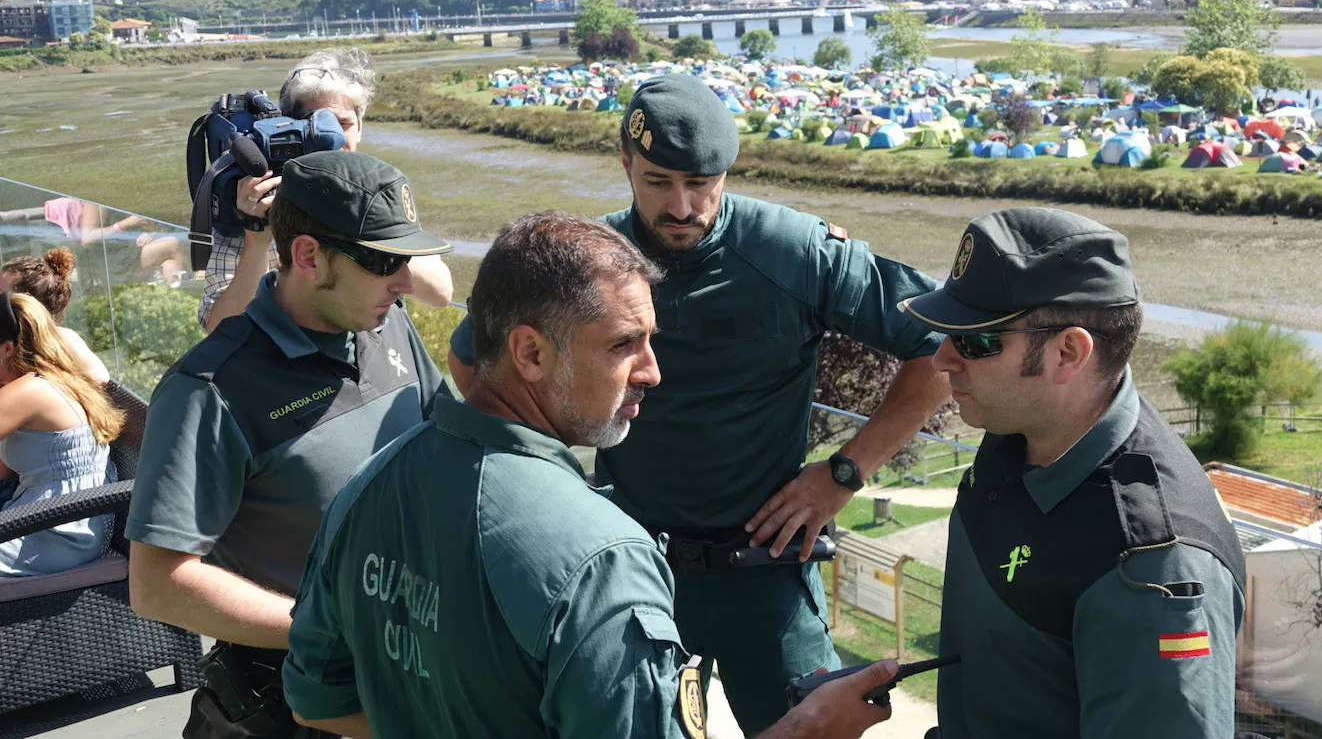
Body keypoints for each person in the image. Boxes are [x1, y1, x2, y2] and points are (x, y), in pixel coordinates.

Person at [448, 74, 950, 735]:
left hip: (765, 575)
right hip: (631, 568)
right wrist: (552, 482)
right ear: (625, 164)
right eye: (658, 182)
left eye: (702, 184)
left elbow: (942, 345)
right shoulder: (586, 263)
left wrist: (842, 475)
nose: (682, 206)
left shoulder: (791, 252)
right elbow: (473, 358)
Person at [284, 210, 899, 739]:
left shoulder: (368, 485)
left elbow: (318, 701)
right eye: (623, 345)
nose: (651, 371)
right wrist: (807, 726)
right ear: (530, 353)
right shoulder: (600, 559)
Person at [126, 151, 452, 738]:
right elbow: (158, 584)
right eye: (384, 261)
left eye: (406, 258)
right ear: (307, 256)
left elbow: (449, 445)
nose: (405, 281)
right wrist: (338, 626)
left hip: (409, 674)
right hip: (294, 698)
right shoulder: (214, 388)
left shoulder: (385, 324)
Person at [896, 207, 1246, 739]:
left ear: (1068, 353)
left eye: (976, 340)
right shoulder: (1018, 430)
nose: (942, 358)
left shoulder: (1152, 565)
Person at [200, 47, 453, 332]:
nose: (332, 140)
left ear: (360, 128)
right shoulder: (255, 199)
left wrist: (364, 224)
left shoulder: (381, 189)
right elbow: (219, 329)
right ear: (286, 128)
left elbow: (440, 294)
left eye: (342, 124)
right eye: (318, 126)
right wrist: (256, 237)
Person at [0, 291, 122, 576]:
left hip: (54, 531)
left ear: (7, 349)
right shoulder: (55, 380)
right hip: (66, 520)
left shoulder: (29, 392)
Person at [1, 246, 110, 383]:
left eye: (1, 293)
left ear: (28, 302)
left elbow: (99, 377)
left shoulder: (59, 339)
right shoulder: (6, 338)